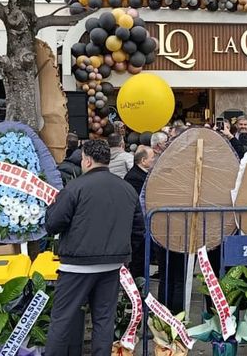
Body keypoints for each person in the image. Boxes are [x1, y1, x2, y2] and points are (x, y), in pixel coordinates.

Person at [45, 140, 146, 355]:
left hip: (76, 265)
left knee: (62, 320)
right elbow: (138, 230)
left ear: (87, 160)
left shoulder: (75, 187)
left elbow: (53, 223)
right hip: (112, 265)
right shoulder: (127, 189)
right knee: (103, 321)